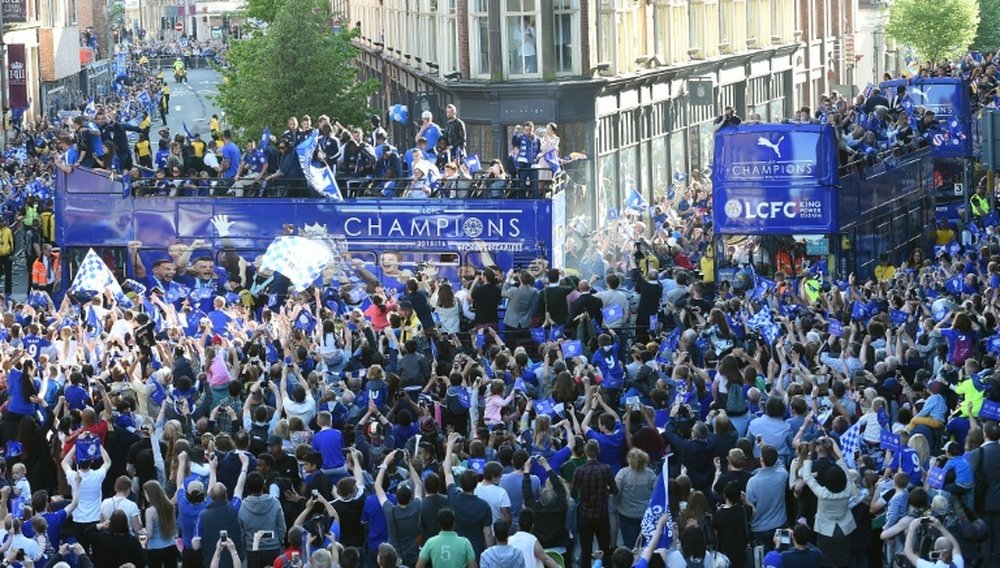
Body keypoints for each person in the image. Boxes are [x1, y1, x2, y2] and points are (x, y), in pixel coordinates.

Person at [573, 439, 617, 568]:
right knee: (605, 547)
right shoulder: (606, 469)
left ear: (586, 452)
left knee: (586, 550)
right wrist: (607, 490)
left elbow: (573, 493)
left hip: (585, 515)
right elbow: (615, 490)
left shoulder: (579, 471)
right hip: (602, 514)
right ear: (598, 451)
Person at [968, 420, 1000, 565]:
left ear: (985, 434)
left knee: (985, 538)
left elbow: (970, 478)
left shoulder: (977, 454)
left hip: (984, 500)